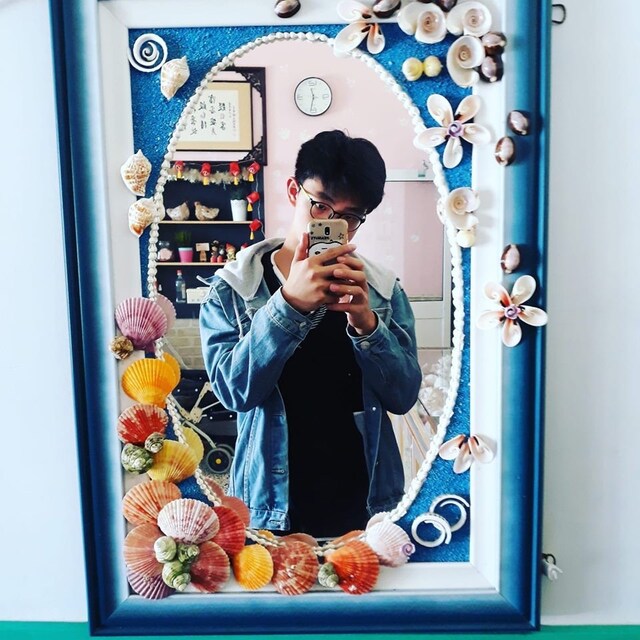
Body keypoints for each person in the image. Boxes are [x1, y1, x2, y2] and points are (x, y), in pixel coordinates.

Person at [199, 130, 422, 537]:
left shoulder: (382, 291)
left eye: (349, 217)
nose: (331, 224)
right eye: (319, 205)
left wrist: (368, 326)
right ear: (292, 191)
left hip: (366, 503)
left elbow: (403, 397)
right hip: (270, 507)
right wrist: (289, 305)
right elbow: (234, 393)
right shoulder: (234, 289)